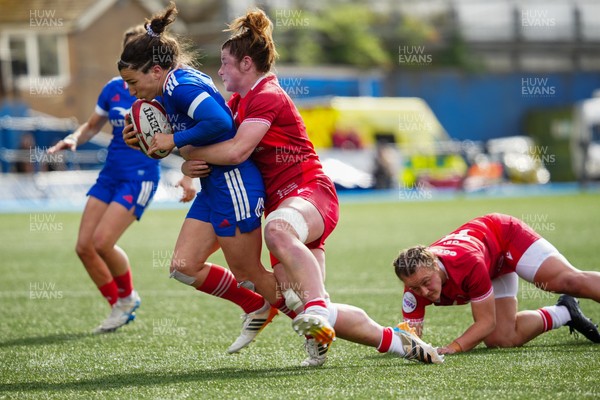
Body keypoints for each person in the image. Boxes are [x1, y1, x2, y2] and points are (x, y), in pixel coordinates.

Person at [176, 9, 443, 365]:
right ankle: (398, 342)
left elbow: (238, 150)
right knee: (295, 299)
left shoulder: (266, 94)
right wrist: (186, 159)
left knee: (279, 233)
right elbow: (214, 146)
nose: (220, 71)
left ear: (245, 63)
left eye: (225, 63)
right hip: (285, 205)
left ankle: (315, 309)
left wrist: (175, 144)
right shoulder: (239, 102)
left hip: (309, 192)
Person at [118, 3, 292, 353]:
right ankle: (254, 306)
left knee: (250, 274)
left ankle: (318, 321)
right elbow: (184, 140)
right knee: (183, 266)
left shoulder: (180, 86)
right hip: (213, 186)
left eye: (133, 83)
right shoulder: (168, 88)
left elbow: (220, 124)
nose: (131, 92)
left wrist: (173, 142)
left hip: (234, 185)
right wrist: (149, 144)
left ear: (154, 70)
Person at [48, 25, 196, 334]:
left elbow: (181, 134)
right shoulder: (114, 88)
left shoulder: (163, 92)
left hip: (139, 177)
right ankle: (120, 304)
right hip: (110, 174)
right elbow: (91, 125)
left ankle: (128, 298)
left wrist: (189, 174)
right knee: (84, 247)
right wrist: (74, 138)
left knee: (102, 242)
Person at [394, 213, 600, 355]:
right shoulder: (414, 282)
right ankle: (565, 312)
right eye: (415, 288)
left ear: (435, 265)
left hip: (505, 237)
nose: (423, 292)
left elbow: (486, 322)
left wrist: (453, 347)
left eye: (426, 282)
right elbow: (411, 338)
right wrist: (413, 347)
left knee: (567, 280)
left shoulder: (467, 263)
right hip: (488, 263)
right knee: (502, 339)